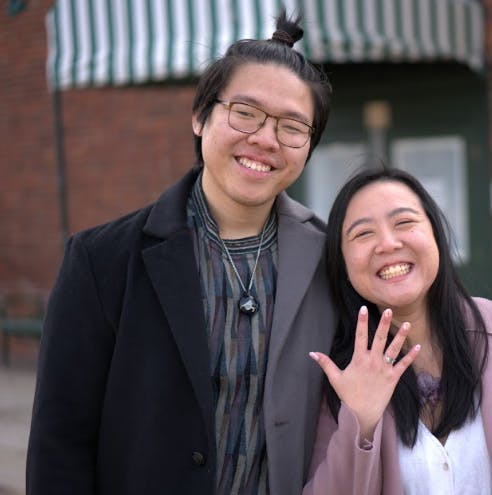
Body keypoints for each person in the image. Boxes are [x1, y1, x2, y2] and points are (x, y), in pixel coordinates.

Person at [27, 10, 337, 495]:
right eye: (246, 112)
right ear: (200, 116)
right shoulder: (101, 261)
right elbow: (60, 443)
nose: (265, 138)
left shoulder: (330, 260)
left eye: (293, 126)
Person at [303, 167, 492, 494]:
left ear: (436, 235)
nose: (388, 243)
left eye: (404, 223)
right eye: (363, 234)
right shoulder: (344, 376)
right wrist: (360, 423)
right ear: (345, 266)